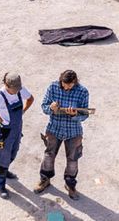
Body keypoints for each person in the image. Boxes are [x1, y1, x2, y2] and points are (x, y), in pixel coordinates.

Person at [34, 70, 90, 200]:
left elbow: (85, 114)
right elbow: (44, 106)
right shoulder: (53, 87)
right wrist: (51, 108)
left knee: (73, 160)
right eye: (64, 84)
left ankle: (70, 185)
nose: (65, 88)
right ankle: (45, 179)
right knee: (48, 156)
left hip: (73, 131)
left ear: (74, 82)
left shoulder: (82, 92)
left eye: (69, 86)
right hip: (54, 129)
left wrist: (75, 115)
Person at [0, 72, 35, 200]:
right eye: (13, 89)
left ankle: (4, 172)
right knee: (2, 158)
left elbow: (30, 99)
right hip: (4, 133)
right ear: (6, 85)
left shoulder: (19, 89)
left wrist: (23, 111)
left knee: (13, 153)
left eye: (18, 88)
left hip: (16, 129)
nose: (16, 91)